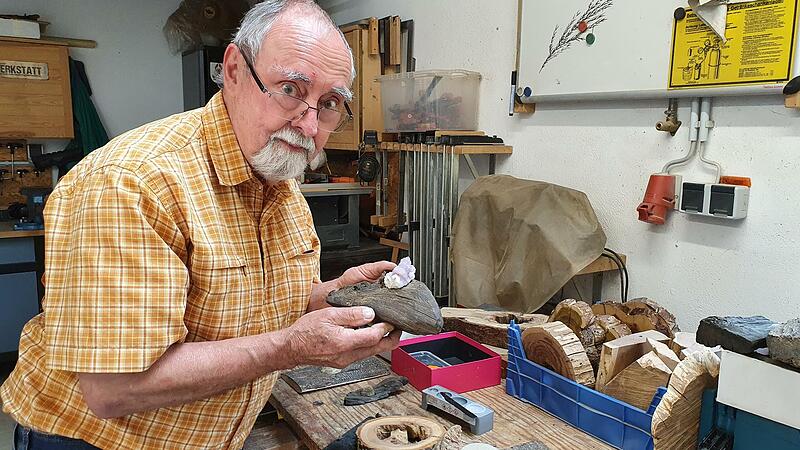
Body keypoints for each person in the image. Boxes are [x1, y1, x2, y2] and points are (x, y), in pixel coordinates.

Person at [0, 1, 401, 448]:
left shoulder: (279, 183)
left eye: (329, 104)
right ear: (233, 71)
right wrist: (290, 347)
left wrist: (336, 294)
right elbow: (114, 389)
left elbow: (260, 301)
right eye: (290, 88)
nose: (309, 125)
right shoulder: (132, 183)